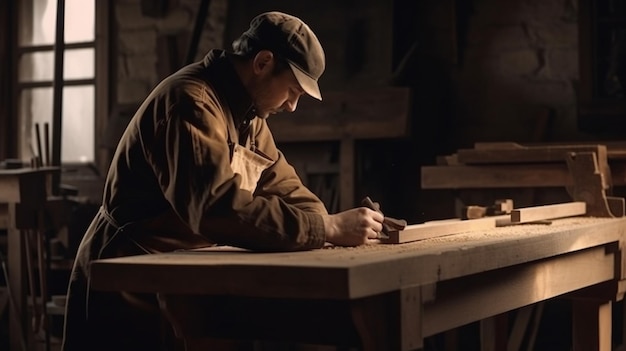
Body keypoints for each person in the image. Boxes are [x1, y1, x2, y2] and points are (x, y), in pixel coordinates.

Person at [62, 11, 384, 351]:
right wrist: (327, 229)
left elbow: (289, 191)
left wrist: (334, 225)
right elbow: (217, 209)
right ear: (262, 62)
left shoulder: (249, 117)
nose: (292, 106)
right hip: (128, 278)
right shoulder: (193, 103)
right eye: (292, 90)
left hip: (179, 280)